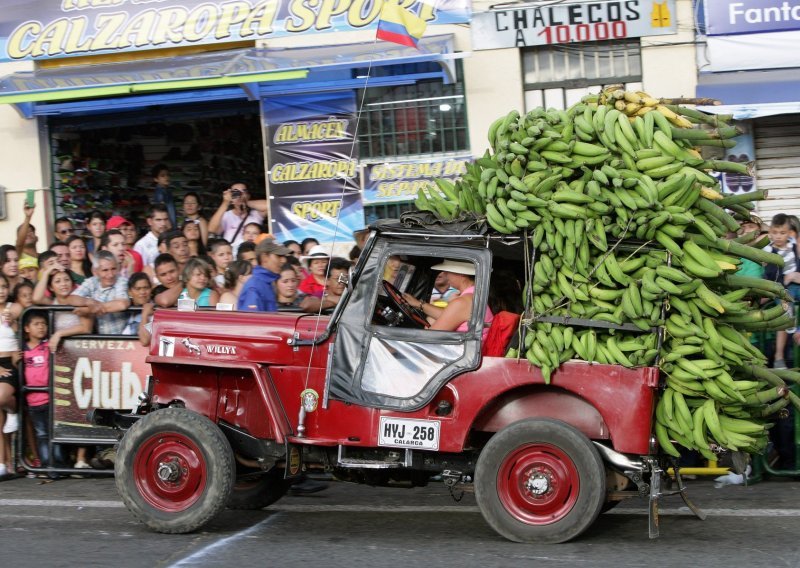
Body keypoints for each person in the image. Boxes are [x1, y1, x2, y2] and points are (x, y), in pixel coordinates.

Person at [22, 311, 67, 478]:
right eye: (36, 324)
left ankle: (59, 464)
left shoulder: (48, 346)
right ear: (27, 328)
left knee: (55, 433)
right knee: (42, 434)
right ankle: (48, 466)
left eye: (43, 323)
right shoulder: (23, 351)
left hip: (51, 400)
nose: (41, 327)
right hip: (33, 402)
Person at [403, 259, 494, 337]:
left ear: (461, 273)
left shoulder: (463, 302)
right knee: (431, 319)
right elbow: (448, 315)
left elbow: (430, 338)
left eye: (448, 271)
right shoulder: (473, 295)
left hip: (459, 354)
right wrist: (417, 304)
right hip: (465, 351)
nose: (445, 275)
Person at [764, 214, 800, 368]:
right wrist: (786, 278)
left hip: (796, 284)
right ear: (771, 232)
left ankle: (796, 329)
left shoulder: (793, 248)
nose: (779, 237)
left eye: (783, 233)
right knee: (787, 307)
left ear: (789, 233)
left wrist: (795, 276)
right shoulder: (769, 251)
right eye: (776, 233)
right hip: (781, 287)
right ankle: (779, 356)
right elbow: (771, 274)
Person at [65, 251, 130, 335]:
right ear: (95, 271)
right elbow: (72, 298)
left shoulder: (121, 281)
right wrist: (88, 302)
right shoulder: (92, 281)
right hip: (99, 342)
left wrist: (88, 310)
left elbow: (122, 304)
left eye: (113, 269)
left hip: (123, 341)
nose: (110, 274)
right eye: (105, 270)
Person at [208, 183, 268, 253]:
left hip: (253, 253)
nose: (239, 195)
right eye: (236, 192)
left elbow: (271, 205)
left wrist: (245, 202)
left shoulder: (256, 214)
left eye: (243, 192)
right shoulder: (227, 216)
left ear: (248, 195)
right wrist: (225, 202)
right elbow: (211, 229)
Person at [0, 274, 21, 477]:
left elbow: (22, 333)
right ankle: (3, 463)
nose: (1, 290)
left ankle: (13, 409)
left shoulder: (13, 308)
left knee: (2, 398)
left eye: (4, 286)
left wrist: (14, 323)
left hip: (10, 363)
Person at [237, 240, 292, 312]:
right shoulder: (254, 287)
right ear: (265, 257)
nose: (284, 260)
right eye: (279, 256)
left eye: (284, 256)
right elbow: (252, 320)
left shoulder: (267, 282)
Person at [134, 204, 171, 268]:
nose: (163, 224)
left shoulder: (172, 240)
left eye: (166, 219)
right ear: (149, 221)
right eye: (158, 220)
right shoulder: (141, 245)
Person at [152, 163, 177, 229]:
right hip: (168, 227)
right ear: (156, 179)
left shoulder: (167, 190)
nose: (166, 177)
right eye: (162, 175)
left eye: (168, 175)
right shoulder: (160, 192)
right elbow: (162, 212)